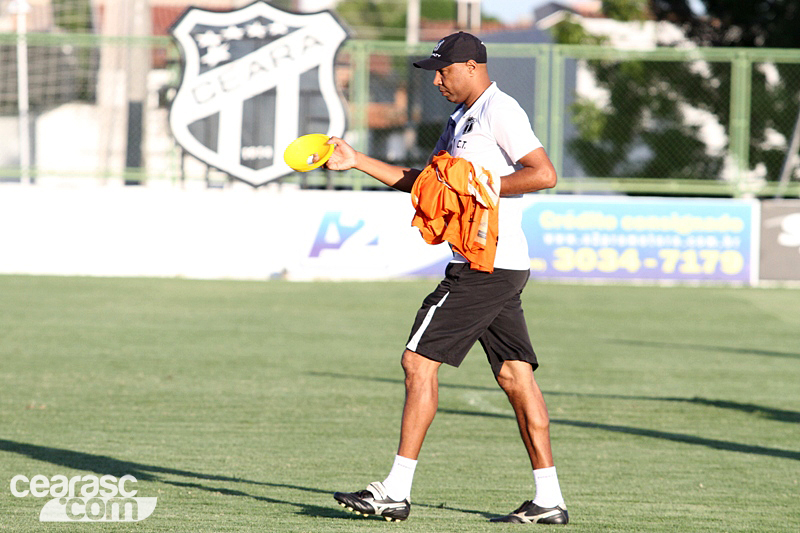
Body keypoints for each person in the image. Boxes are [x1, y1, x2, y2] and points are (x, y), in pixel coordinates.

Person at [326, 31, 568, 525]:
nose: (437, 80)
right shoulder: (460, 118)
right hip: (497, 265)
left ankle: (395, 491)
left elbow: (544, 174)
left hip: (485, 266)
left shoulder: (500, 110)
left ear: (472, 67)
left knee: (417, 361)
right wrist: (357, 160)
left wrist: (482, 187)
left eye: (443, 70)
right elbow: (427, 184)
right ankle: (549, 499)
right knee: (514, 375)